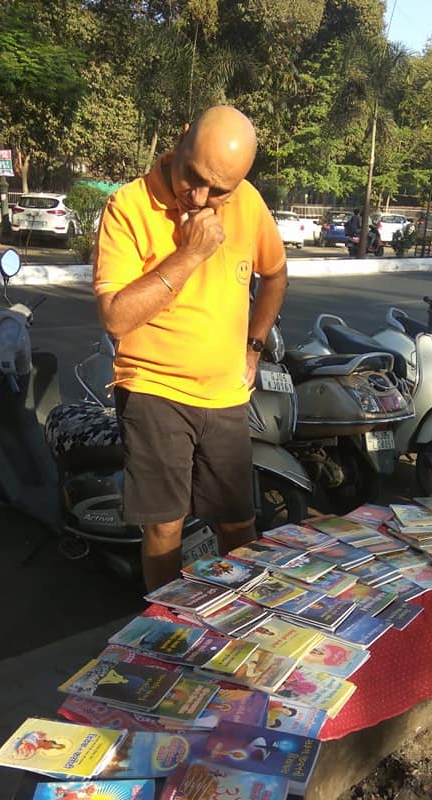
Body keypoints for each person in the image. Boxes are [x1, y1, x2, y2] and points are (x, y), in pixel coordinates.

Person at [93, 106, 287, 591]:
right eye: (193, 177)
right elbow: (116, 316)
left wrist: (254, 347)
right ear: (182, 140)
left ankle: (243, 615)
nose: (199, 197)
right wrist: (190, 253)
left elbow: (275, 274)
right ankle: (165, 623)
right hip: (153, 388)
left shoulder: (247, 202)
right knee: (165, 527)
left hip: (225, 395)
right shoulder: (128, 207)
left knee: (238, 522)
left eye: (218, 190)